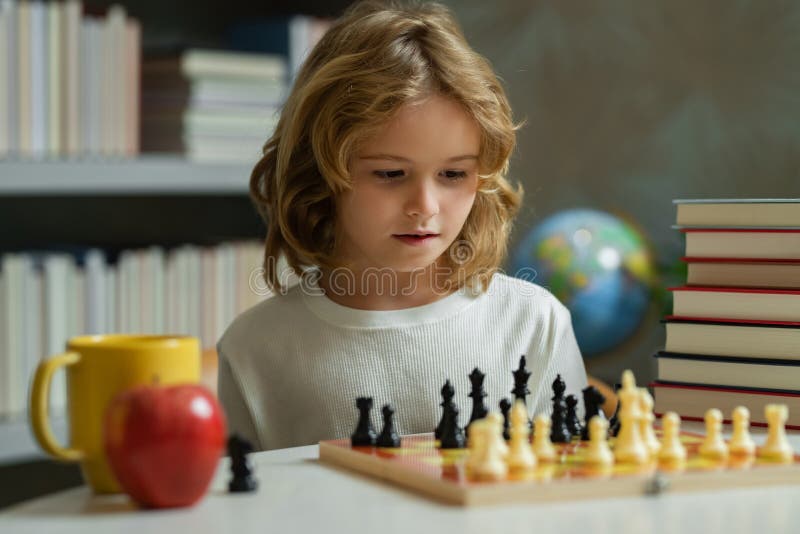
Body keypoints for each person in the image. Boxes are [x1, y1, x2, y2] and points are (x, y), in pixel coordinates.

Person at [217, 0, 588, 451]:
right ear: (319, 173)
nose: (425, 206)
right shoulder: (255, 350)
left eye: (454, 175)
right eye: (390, 174)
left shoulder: (534, 324)